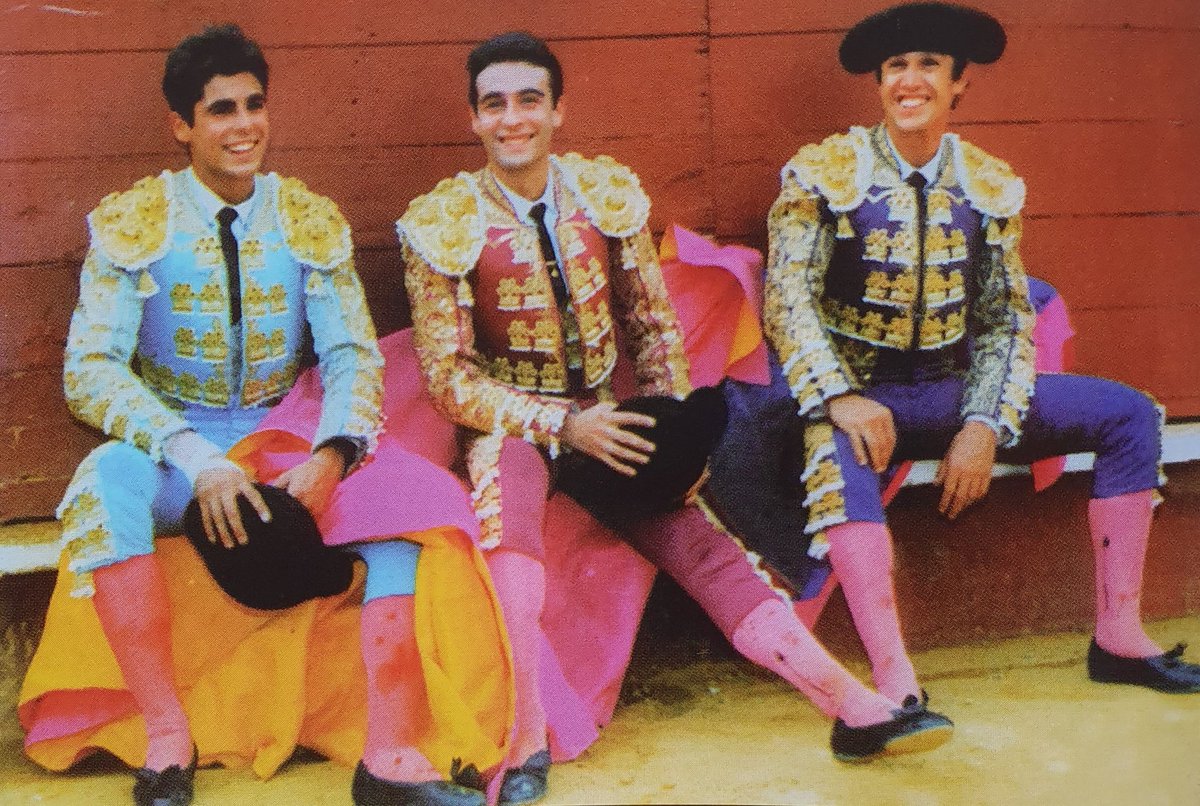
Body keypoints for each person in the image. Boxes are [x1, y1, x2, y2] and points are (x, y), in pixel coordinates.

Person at [397, 31, 954, 799]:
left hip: (605, 411)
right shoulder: (443, 220)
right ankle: (525, 736)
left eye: (529, 100)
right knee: (509, 520)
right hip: (511, 425)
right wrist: (562, 426)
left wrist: (669, 425)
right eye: (495, 104)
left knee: (702, 543)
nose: (512, 118)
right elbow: (450, 380)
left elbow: (653, 326)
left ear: (559, 109)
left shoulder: (604, 197)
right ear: (474, 120)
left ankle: (852, 706)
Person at [45, 24, 487, 806]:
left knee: (409, 505)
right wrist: (192, 454)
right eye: (220, 110)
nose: (243, 125)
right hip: (179, 449)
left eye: (254, 105)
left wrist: (333, 453)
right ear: (181, 125)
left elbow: (352, 355)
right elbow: (90, 369)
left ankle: (386, 757)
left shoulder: (307, 219)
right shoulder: (137, 222)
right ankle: (165, 736)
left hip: (284, 434)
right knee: (104, 479)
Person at [746, 0, 1200, 712]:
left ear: (960, 85)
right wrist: (839, 394)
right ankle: (895, 680)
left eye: (928, 65)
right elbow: (788, 301)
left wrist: (984, 424)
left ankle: (1119, 634)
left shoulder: (987, 185)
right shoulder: (824, 173)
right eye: (897, 66)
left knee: (1132, 415)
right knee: (837, 453)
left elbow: (1004, 321)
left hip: (954, 392)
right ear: (879, 82)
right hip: (858, 397)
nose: (910, 81)